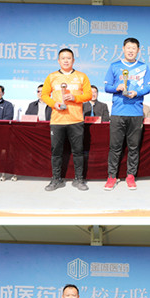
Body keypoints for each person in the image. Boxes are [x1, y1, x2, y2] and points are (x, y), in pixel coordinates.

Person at [103, 37, 150, 191]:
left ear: (138, 50)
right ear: (123, 49)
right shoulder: (114, 66)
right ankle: (112, 176)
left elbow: (148, 88)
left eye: (134, 48)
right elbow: (107, 87)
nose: (131, 51)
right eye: (128, 48)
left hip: (136, 113)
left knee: (133, 147)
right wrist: (116, 88)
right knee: (115, 147)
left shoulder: (143, 67)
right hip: (118, 112)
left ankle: (131, 176)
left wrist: (137, 93)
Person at [40, 48, 91, 192]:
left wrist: (75, 98)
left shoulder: (81, 76)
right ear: (58, 61)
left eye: (69, 58)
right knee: (56, 152)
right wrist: (54, 104)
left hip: (76, 119)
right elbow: (44, 95)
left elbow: (88, 95)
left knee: (78, 151)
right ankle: (56, 179)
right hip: (57, 121)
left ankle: (79, 179)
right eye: (63, 58)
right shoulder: (52, 77)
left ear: (73, 60)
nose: (66, 60)